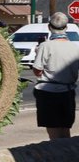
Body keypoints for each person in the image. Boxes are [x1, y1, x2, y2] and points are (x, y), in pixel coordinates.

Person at [31, 11, 79, 140]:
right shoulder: (75, 48)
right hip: (68, 92)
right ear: (66, 27)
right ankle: (68, 157)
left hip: (48, 92)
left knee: (54, 133)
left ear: (49, 27)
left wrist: (38, 52)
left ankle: (58, 158)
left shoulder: (45, 46)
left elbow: (37, 71)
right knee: (65, 130)